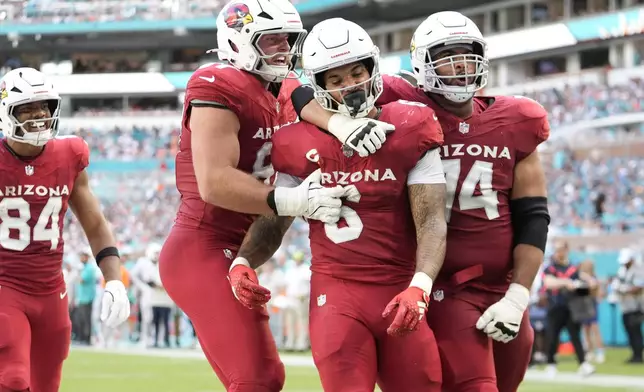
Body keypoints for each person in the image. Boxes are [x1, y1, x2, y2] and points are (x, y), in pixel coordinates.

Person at [294, 11, 551, 392]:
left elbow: (533, 217)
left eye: (468, 55)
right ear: (422, 64)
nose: (461, 66)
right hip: (444, 284)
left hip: (504, 286)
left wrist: (519, 295)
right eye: (447, 57)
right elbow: (300, 91)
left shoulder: (518, 118)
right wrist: (338, 123)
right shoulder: (402, 102)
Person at [158, 1, 389, 390]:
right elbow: (214, 183)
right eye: (270, 40)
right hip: (202, 245)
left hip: (242, 244)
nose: (282, 48)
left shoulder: (281, 88)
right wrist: (294, 200)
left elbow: (301, 96)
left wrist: (339, 124)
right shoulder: (216, 83)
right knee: (256, 378)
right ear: (238, 41)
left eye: (287, 39)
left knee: (265, 377)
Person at [229, 17, 447, 391]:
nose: (352, 86)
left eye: (357, 72)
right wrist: (243, 260)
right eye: (337, 79)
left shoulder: (409, 125)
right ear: (319, 87)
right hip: (337, 296)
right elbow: (275, 218)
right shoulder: (295, 142)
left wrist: (420, 286)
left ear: (373, 70)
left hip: (399, 288)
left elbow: (431, 221)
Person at [0, 67, 130, 391]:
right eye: (27, 108)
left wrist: (114, 280)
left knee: (46, 385)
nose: (39, 115)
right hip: (4, 285)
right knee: (13, 379)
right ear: (7, 113)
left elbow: (95, 223)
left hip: (50, 291)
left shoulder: (69, 155)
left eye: (44, 106)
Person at [541, 242, 594, 376]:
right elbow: (548, 283)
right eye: (557, 250)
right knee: (553, 336)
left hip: (571, 307)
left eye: (561, 250)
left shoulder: (573, 268)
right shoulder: (550, 268)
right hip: (555, 307)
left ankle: (583, 363)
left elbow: (587, 281)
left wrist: (588, 282)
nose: (559, 253)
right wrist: (565, 282)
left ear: (566, 250)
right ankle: (551, 363)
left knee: (576, 336)